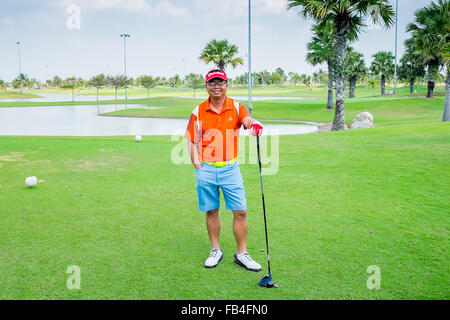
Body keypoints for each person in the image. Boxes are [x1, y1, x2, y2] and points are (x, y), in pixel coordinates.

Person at [185, 69, 264, 271]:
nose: (216, 86)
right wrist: (198, 167)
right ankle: (215, 250)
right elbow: (191, 140)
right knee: (211, 210)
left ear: (227, 85)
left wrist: (253, 124)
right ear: (206, 87)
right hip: (206, 169)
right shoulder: (198, 111)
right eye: (212, 83)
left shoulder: (237, 107)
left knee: (241, 211)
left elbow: (247, 120)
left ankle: (242, 254)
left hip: (230, 168)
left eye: (220, 82)